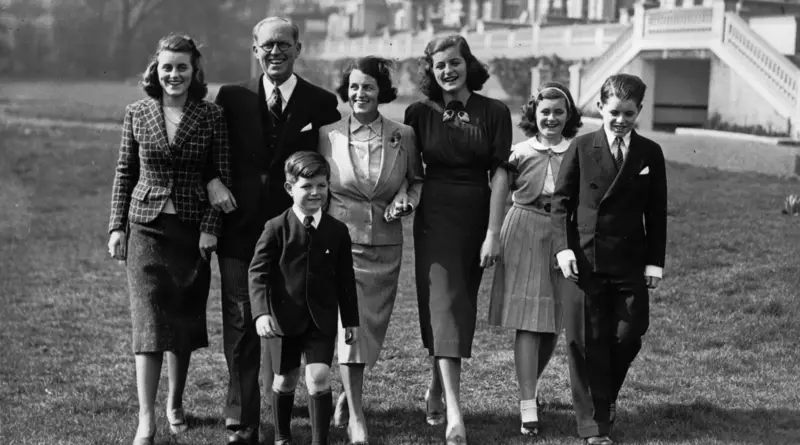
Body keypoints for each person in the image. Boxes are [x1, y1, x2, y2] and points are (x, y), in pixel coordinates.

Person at [207, 16, 341, 445]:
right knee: (241, 321)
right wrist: (212, 180)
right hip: (239, 228)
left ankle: (289, 400)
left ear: (298, 49)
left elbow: (327, 167)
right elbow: (212, 149)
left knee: (297, 315)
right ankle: (242, 419)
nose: (275, 52)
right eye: (267, 46)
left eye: (284, 44)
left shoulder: (320, 102)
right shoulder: (230, 97)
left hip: (296, 235)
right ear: (255, 49)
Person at [107, 34, 231, 445]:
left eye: (182, 67)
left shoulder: (211, 116)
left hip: (192, 234)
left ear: (194, 71)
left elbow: (222, 175)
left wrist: (211, 226)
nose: (174, 75)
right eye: (167, 68)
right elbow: (125, 172)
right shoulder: (137, 112)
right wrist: (116, 227)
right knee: (148, 324)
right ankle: (146, 418)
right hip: (145, 228)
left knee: (182, 322)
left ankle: (174, 403)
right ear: (155, 71)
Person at [403, 35, 512, 445]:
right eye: (439, 65)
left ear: (468, 63)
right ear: (430, 72)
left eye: (454, 62)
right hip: (434, 218)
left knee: (457, 307)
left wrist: (492, 233)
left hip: (477, 217)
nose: (447, 71)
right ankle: (454, 410)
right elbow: (410, 171)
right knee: (444, 305)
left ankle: (435, 383)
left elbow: (501, 174)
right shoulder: (418, 113)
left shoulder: (495, 112)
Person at [551, 73, 667, 445]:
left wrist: (654, 263)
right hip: (585, 260)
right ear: (600, 108)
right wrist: (563, 248)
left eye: (629, 113)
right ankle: (594, 427)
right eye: (614, 112)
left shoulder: (650, 153)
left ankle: (605, 397)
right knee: (585, 342)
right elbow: (560, 204)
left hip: (630, 261)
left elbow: (657, 212)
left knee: (629, 335)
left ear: (640, 112)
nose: (620, 120)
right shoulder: (583, 148)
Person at [319, 56, 424, 445]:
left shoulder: (404, 135)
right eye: (354, 87)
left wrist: (405, 201)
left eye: (368, 87)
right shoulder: (327, 134)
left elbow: (416, 181)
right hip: (339, 246)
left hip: (385, 246)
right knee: (350, 330)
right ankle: (357, 418)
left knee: (370, 333)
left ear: (382, 92)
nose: (359, 94)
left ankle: (347, 395)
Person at [487, 81, 582, 437]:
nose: (552, 118)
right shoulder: (519, 152)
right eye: (545, 111)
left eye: (559, 111)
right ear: (533, 114)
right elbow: (499, 192)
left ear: (568, 115)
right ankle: (528, 405)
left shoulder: (579, 150)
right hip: (523, 230)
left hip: (563, 237)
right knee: (528, 321)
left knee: (553, 322)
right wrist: (492, 236)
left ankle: (533, 386)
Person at [248, 151, 360, 445]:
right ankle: (282, 437)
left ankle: (318, 440)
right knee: (285, 380)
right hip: (282, 321)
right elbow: (257, 274)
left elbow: (346, 279)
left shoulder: (337, 231)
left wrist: (351, 320)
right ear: (289, 188)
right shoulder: (275, 228)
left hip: (321, 319)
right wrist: (261, 313)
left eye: (321, 186)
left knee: (320, 376)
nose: (315, 193)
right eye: (306, 186)